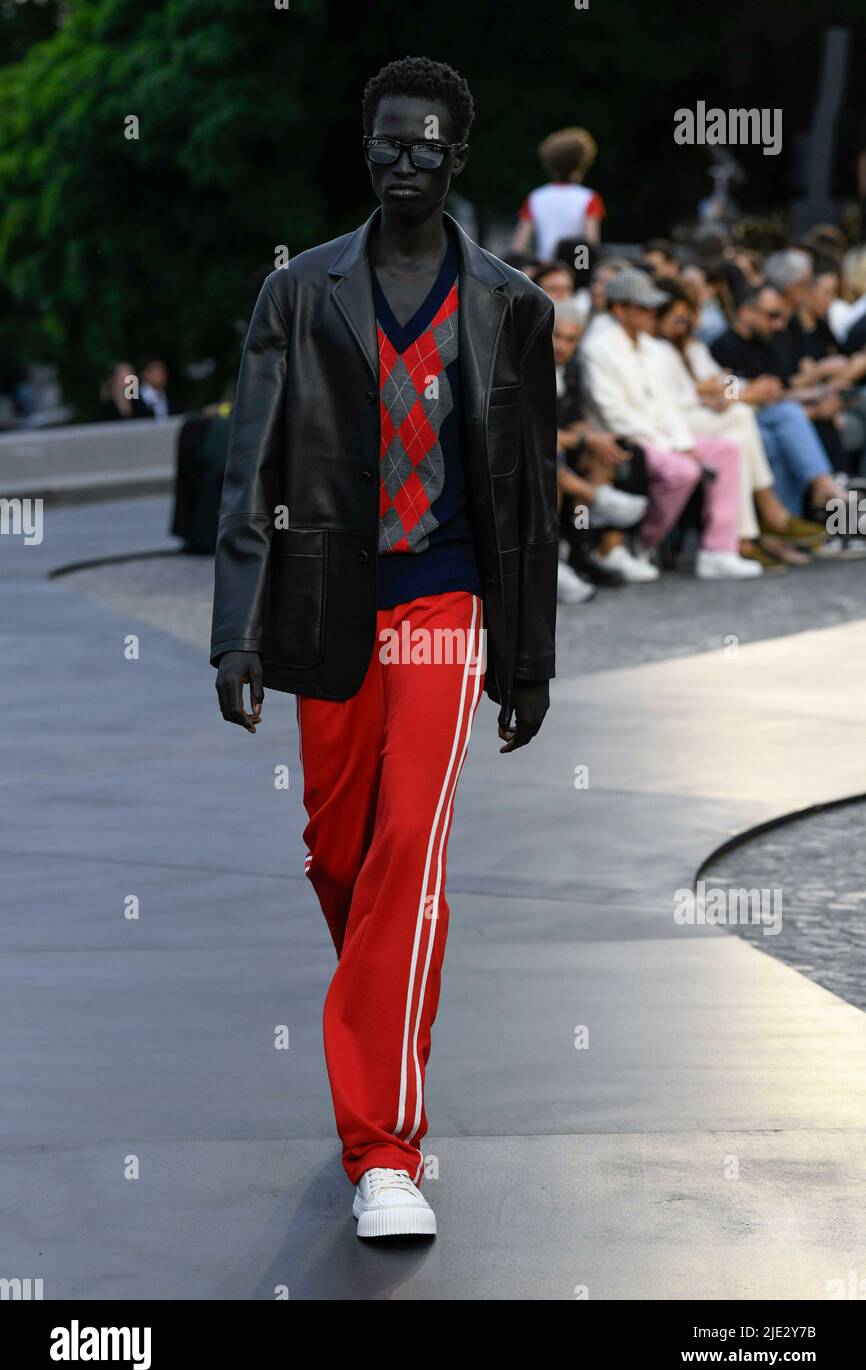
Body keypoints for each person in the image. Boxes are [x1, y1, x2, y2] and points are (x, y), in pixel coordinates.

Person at [210, 55, 558, 1241]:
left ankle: (383, 1148)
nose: (404, 159)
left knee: (408, 846)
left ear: (458, 154)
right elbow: (250, 464)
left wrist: (529, 659)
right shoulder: (300, 294)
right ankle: (387, 1020)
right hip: (321, 605)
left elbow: (528, 497)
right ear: (366, 151)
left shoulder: (512, 305)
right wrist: (234, 634)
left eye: (427, 143)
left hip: (445, 603)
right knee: (342, 857)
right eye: (386, 142)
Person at [580, 266, 761, 580]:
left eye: (653, 306)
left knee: (727, 451)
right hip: (628, 438)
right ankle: (640, 542)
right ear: (620, 309)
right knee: (683, 470)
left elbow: (668, 406)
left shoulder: (654, 348)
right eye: (644, 306)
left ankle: (719, 550)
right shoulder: (597, 347)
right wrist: (672, 447)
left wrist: (684, 444)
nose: (653, 312)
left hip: (661, 439)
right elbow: (611, 411)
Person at [653, 279, 821, 568]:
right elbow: (668, 402)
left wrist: (748, 388)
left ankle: (745, 537)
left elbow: (722, 378)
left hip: (707, 416)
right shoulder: (657, 350)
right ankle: (768, 514)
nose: (685, 324)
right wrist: (727, 394)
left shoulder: (692, 348)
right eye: (679, 318)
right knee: (742, 420)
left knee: (743, 435)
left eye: (689, 316)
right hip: (673, 425)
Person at [712, 284, 849, 519]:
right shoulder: (724, 346)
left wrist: (823, 393)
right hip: (742, 417)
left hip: (774, 416)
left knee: (782, 433)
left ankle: (794, 521)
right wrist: (753, 392)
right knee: (788, 419)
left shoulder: (768, 342)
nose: (778, 324)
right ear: (746, 312)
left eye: (781, 316)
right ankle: (827, 488)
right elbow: (724, 392)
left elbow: (784, 389)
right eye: (771, 316)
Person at [551, 300, 649, 594]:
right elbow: (529, 431)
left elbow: (577, 419)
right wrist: (582, 438)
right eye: (556, 336)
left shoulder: (573, 368)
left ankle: (584, 551)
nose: (562, 345)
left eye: (571, 339)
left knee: (608, 448)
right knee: (549, 455)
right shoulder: (526, 366)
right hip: (529, 451)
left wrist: (591, 437)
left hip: (562, 447)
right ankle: (594, 499)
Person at [511, 127, 606, 260]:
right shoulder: (589, 197)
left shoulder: (536, 197)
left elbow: (518, 246)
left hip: (545, 269)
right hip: (575, 268)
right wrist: (582, 271)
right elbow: (591, 243)